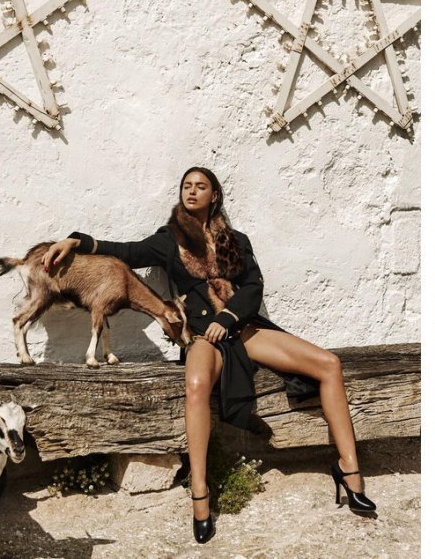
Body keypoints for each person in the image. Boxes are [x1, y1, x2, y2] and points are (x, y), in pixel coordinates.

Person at [41, 167, 375, 544]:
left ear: (214, 195)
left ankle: (350, 472)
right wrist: (75, 241)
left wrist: (228, 316)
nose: (192, 191)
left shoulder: (235, 240)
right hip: (202, 336)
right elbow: (127, 252)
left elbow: (253, 286)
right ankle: (200, 491)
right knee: (197, 384)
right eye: (187, 186)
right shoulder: (169, 241)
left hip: (242, 329)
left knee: (329, 364)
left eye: (200, 186)